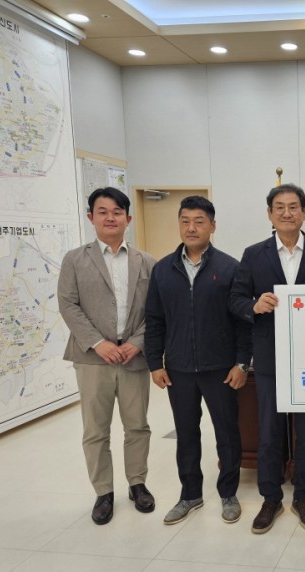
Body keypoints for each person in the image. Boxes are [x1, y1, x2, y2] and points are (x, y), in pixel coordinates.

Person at [229, 183, 305, 534]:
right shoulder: (253, 254)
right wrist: (254, 305)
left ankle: (303, 497)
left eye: (293, 207)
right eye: (280, 207)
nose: (287, 213)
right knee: (269, 433)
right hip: (270, 359)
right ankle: (271, 498)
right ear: (270, 214)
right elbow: (235, 300)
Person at [144, 195, 247, 525]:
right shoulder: (163, 270)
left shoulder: (230, 268)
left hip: (221, 368)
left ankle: (228, 493)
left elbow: (243, 322)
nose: (191, 227)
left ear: (212, 226)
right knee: (186, 434)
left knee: (227, 434)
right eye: (185, 221)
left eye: (199, 221)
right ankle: (190, 494)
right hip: (179, 369)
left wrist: (242, 363)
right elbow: (154, 320)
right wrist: (155, 363)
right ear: (179, 225)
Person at [58, 187, 156, 525]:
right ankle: (103, 492)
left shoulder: (147, 261)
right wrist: (98, 342)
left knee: (137, 426)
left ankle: (137, 484)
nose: (110, 217)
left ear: (128, 218)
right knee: (95, 430)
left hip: (133, 357)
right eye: (102, 212)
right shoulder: (74, 259)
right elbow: (68, 304)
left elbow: (156, 310)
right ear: (91, 217)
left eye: (117, 212)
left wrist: (138, 342)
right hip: (92, 359)